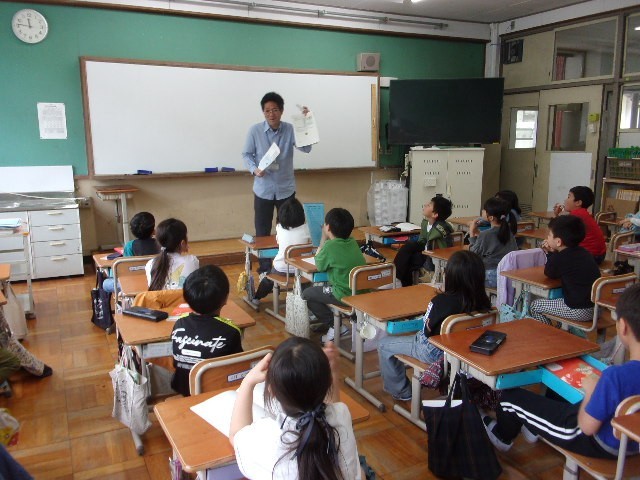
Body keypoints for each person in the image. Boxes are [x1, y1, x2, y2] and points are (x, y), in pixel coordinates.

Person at [484, 282, 640, 459]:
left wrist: (591, 391)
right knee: (557, 392)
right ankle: (533, 427)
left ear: (623, 327)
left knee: (509, 398)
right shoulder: (617, 377)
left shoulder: (615, 376)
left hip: (595, 440)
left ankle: (502, 438)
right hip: (633, 443)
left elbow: (586, 427)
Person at [230, 338, 362, 480]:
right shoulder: (342, 413)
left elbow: (237, 435)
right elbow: (333, 409)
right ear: (328, 382)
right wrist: (333, 371)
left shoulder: (266, 437)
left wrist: (248, 382)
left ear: (271, 390)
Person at [379, 250, 491, 401]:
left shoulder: (440, 302)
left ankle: (402, 391)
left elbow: (426, 332)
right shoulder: (485, 302)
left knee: (384, 345)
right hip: (466, 351)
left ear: (449, 276)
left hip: (435, 353)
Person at [242, 92, 312, 273]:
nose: (271, 114)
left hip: (285, 190)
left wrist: (306, 124)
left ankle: (291, 265)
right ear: (263, 112)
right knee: (262, 230)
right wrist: (254, 169)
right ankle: (266, 269)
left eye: (274, 110)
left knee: (290, 229)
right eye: (267, 111)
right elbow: (246, 154)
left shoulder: (290, 129)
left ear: (281, 111)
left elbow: (307, 148)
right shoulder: (255, 131)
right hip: (263, 189)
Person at [170, 265, 242, 396]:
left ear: (187, 298)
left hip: (183, 389)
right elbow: (237, 367)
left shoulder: (179, 323)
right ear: (225, 298)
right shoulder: (231, 331)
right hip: (217, 392)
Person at [301, 208, 365, 342]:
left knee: (307, 294)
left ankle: (336, 326)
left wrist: (323, 238)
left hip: (343, 294)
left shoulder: (330, 246)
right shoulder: (352, 242)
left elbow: (319, 265)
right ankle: (337, 322)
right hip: (360, 292)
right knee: (320, 289)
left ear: (327, 227)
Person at [529, 215, 600, 326]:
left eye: (549, 235)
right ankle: (559, 330)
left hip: (579, 310)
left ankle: (549, 333)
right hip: (597, 308)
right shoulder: (584, 252)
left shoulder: (561, 257)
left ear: (558, 242)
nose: (547, 238)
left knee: (535, 306)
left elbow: (549, 272)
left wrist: (550, 253)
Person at [253, 198, 311, 304]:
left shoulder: (279, 228)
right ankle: (306, 300)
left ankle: (256, 298)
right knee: (306, 280)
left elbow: (279, 242)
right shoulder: (308, 229)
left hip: (282, 269)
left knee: (269, 277)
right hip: (302, 271)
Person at [393, 196, 453, 287]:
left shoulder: (440, 228)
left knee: (408, 259)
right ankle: (401, 282)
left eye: (429, 205)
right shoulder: (426, 223)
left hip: (433, 258)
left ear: (435, 214)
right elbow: (422, 241)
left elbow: (433, 245)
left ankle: (398, 279)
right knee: (408, 250)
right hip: (424, 251)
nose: (425, 205)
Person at [103, 211, 160, 293]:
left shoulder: (130, 245)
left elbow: (126, 269)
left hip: (134, 284)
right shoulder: (161, 244)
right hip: (156, 282)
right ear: (153, 230)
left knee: (106, 283)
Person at [468, 197, 518, 288]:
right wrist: (478, 234)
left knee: (463, 276)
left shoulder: (486, 235)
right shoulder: (508, 232)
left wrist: (471, 232)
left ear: (490, 217)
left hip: (490, 277)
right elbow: (490, 242)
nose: (482, 211)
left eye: (484, 210)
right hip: (507, 275)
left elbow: (473, 255)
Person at [553, 186, 606, 264]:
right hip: (598, 255)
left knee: (554, 250)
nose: (565, 200)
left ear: (578, 202)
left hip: (591, 256)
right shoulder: (582, 213)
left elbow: (556, 231)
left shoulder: (577, 215)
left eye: (569, 197)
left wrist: (556, 215)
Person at [145, 218, 199, 291]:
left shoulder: (150, 264)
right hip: (183, 299)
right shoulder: (192, 260)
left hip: (160, 299)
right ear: (182, 243)